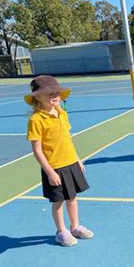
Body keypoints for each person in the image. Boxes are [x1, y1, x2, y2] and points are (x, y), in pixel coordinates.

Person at [25, 75, 93, 247]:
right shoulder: (36, 120)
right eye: (48, 93)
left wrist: (77, 159)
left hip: (70, 163)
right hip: (55, 168)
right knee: (58, 202)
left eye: (56, 92)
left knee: (73, 198)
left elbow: (67, 139)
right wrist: (50, 172)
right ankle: (61, 232)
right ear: (37, 97)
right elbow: (37, 150)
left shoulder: (61, 113)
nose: (54, 95)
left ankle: (75, 227)